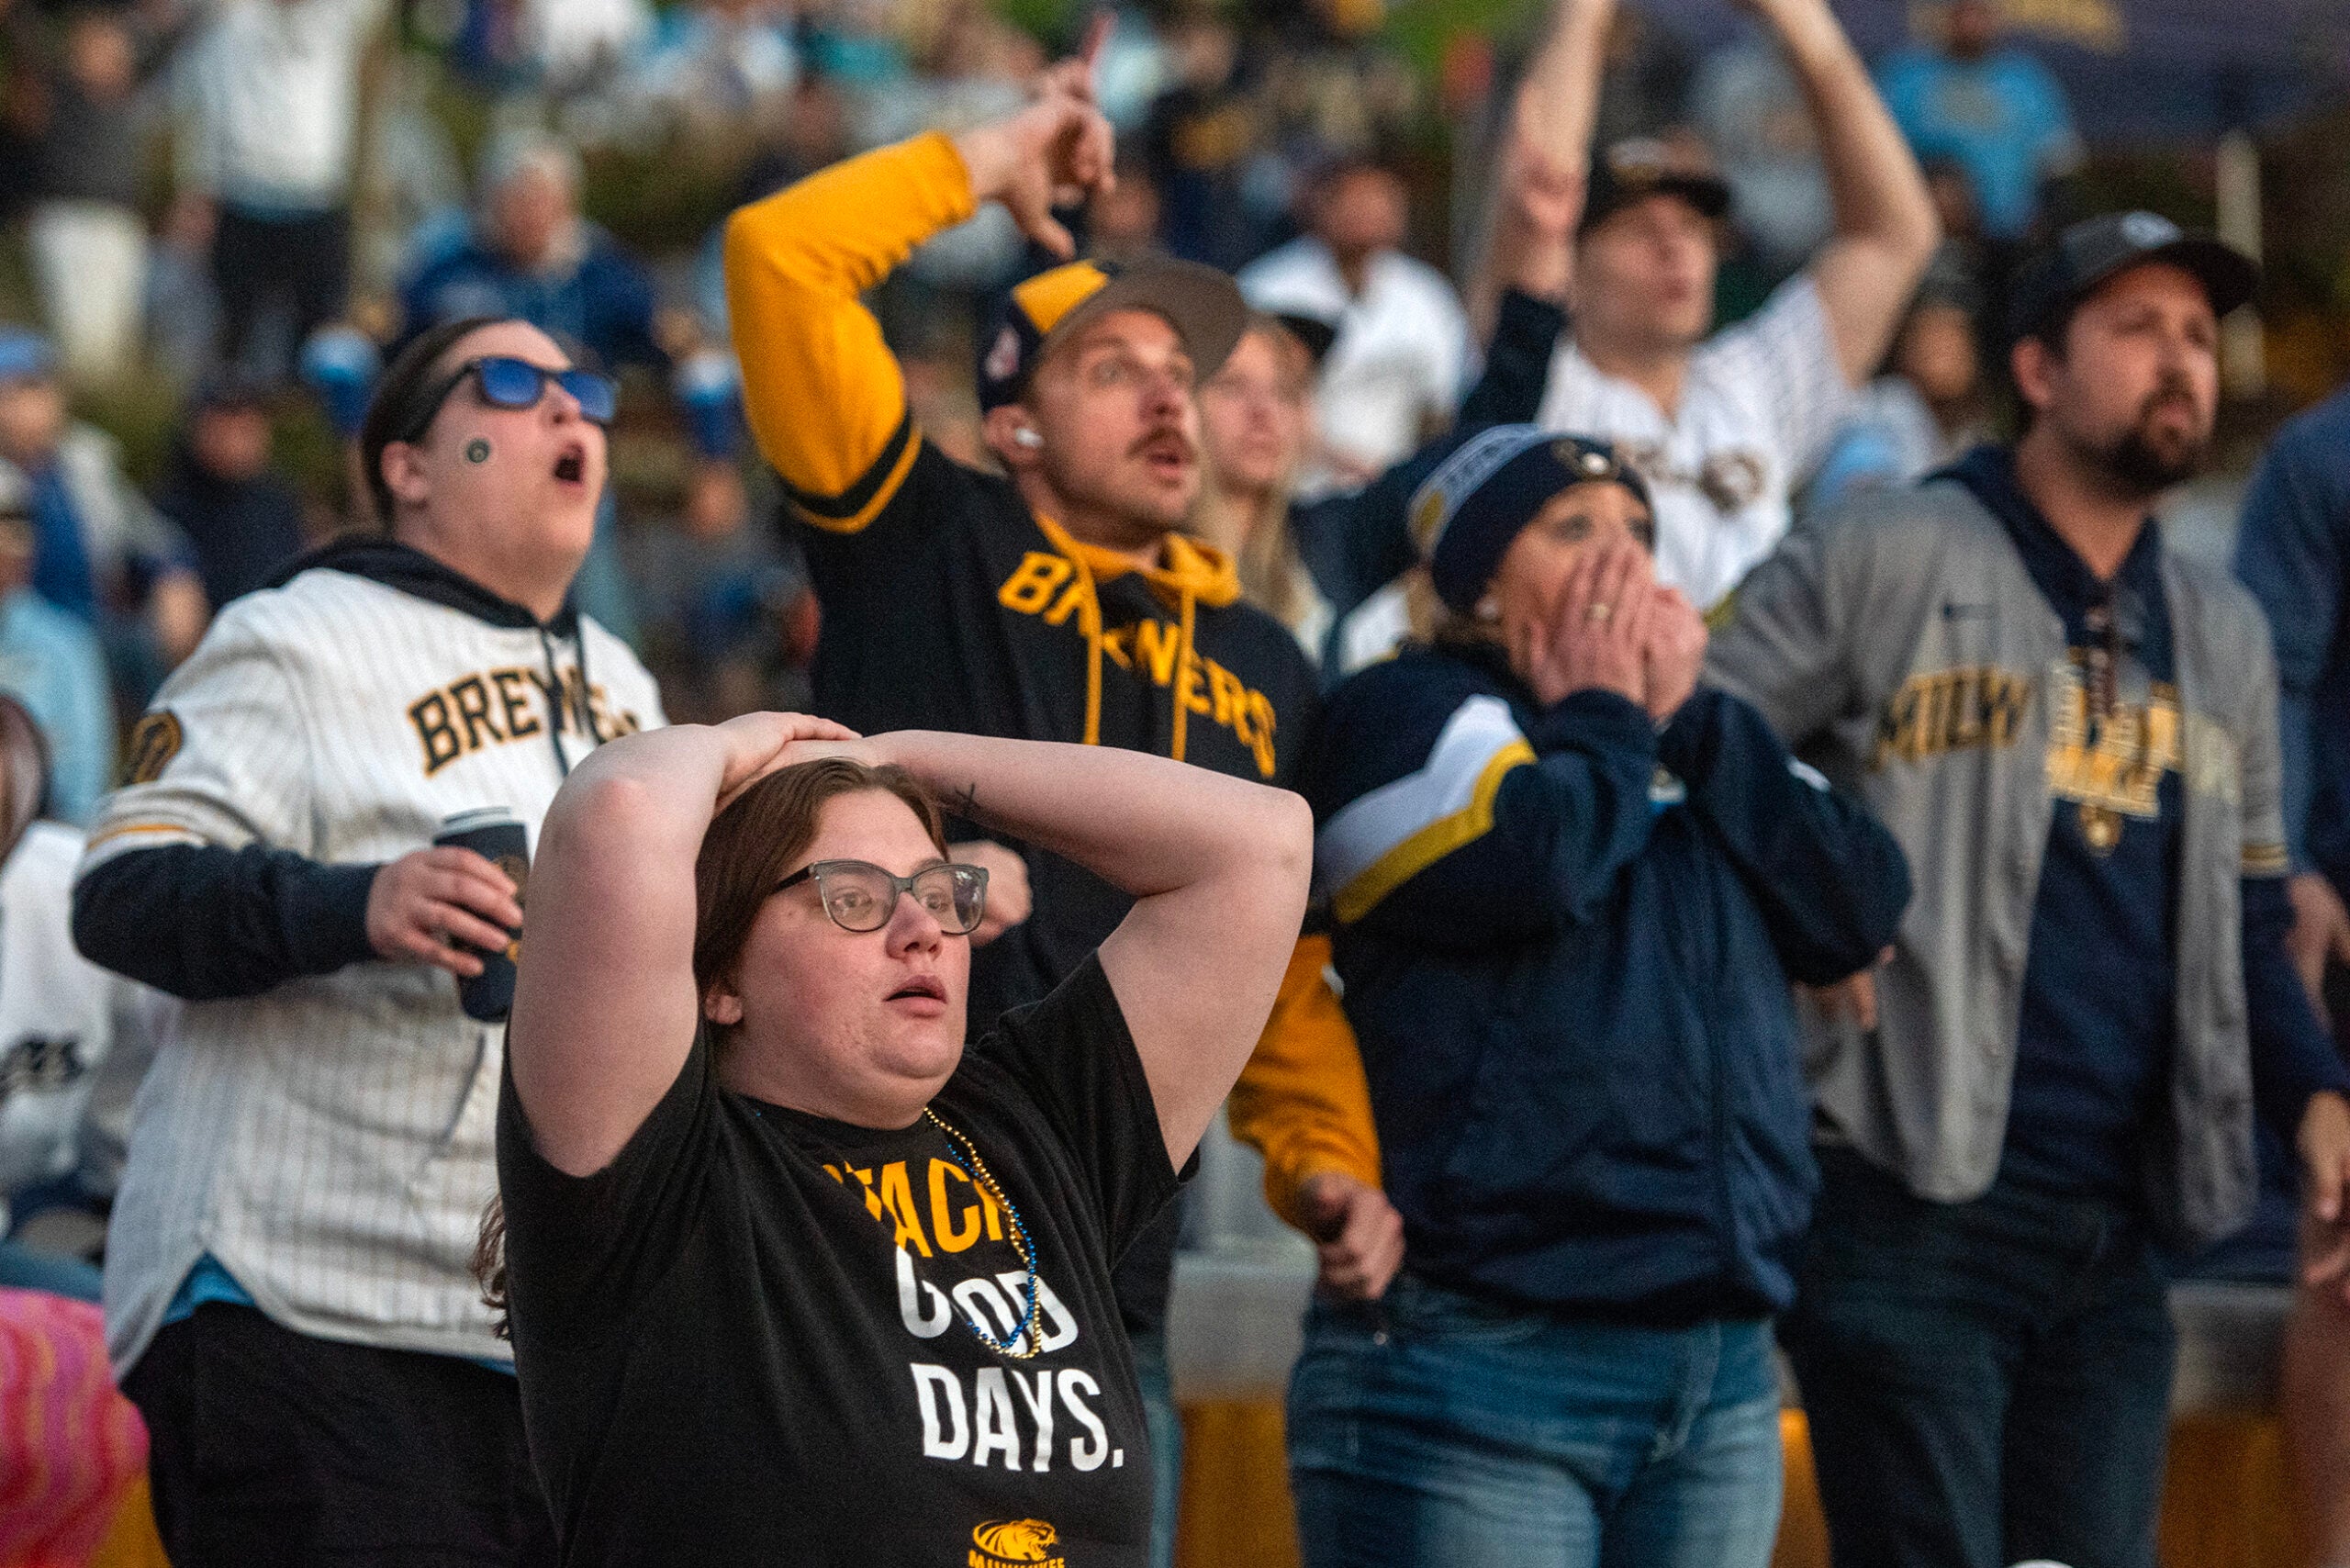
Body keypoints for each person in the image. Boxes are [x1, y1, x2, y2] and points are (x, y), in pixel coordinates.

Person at [723, 41, 1321, 1565]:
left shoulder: (1261, 655)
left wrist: (1334, 1155)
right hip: (852, 1238)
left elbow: (1289, 958)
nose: (1168, 399)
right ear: (1014, 425)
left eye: (1181, 375)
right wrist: (996, 160)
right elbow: (777, 257)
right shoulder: (926, 532)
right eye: (1110, 368)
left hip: (1111, 1278)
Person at [1705, 210, 2350, 1568]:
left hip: (2121, 1229)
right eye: (2137, 330)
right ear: (2040, 369)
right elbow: (1695, 738)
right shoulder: (1887, 546)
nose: (2181, 362)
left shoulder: (2219, 628)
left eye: (2196, 336)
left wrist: (2320, 1095)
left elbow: (2243, 916)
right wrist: (1812, 902)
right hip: (1900, 1195)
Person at [70, 314, 665, 1565]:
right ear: (406, 463)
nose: (569, 413)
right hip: (297, 1301)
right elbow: (121, 890)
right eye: (513, 386)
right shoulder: (293, 637)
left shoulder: (623, 684)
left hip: (530, 1339)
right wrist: (357, 903)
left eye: (586, 390)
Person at [1285, 424, 1908, 1566]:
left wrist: (1701, 719)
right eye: (1572, 530)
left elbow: (1863, 900)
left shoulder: (1691, 733)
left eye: (1637, 531)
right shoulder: (1397, 714)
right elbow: (1536, 861)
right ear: (1470, 581)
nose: (1621, 559)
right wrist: (1612, 720)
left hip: (1717, 1374)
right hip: (1480, 1366)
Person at [490, 716, 1308, 1563]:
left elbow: (1259, 845)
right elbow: (619, 810)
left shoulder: (1034, 1129)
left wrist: (896, 757)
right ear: (721, 975)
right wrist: (753, 743)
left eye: (938, 892)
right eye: (852, 897)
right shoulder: (662, 1180)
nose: (920, 929)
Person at [1524, 0, 1938, 612]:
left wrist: (1801, 22)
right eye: (1638, 228)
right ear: (1573, 270)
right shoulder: (1537, 379)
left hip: (1750, 701)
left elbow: (1896, 236)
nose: (1674, 247)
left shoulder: (1751, 381)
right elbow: (1534, 196)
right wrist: (1583, 14)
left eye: (1693, 227)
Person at [1193, 110, 1582, 669]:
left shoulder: (1332, 547)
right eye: (1233, 387)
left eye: (1287, 390)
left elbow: (1470, 442)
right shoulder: (1134, 554)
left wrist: (1540, 251)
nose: (1265, 412)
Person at [2231, 378, 2350, 1568]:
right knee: (2343, 1252)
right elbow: (2270, 682)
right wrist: (2291, 867)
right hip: (2344, 919)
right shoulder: (2327, 461)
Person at [175, 0, 390, 378]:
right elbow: (204, 104)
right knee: (233, 336)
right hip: (241, 201)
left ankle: (307, 429)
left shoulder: (337, 16)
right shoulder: (230, 17)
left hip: (317, 203)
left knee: (319, 335)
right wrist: (197, 186)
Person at [1238, 157, 1472, 495]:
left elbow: (1441, 406)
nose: (1368, 213)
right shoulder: (1268, 288)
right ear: (1322, 207)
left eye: (1382, 200)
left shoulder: (1428, 297)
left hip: (1396, 494)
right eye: (1355, 199)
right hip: (1297, 493)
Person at [0, 326, 207, 697]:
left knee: (160, 651)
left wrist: (172, 572)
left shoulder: (85, 461)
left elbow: (148, 534)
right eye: (20, 390)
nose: (35, 404)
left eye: (42, 388)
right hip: (18, 634)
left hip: (95, 626)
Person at [1875, 0, 2081, 248]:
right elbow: (1876, 157)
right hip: (1930, 240)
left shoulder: (2026, 79)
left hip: (2016, 238)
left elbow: (2057, 161)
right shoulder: (1905, 76)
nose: (1971, 21)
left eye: (1981, 11)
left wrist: (2048, 221)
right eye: (1962, 10)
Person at [1804, 266, 1988, 512]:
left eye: (1955, 336)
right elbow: (1862, 506)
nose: (1942, 350)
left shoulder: (1969, 430)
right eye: (1929, 332)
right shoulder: (1879, 414)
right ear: (1903, 340)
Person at [0, 468, 113, 825]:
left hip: (42, 840)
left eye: (23, 527)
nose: (16, 543)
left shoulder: (65, 643)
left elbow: (87, 786)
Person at [151, 370, 308, 613]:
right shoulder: (167, 510)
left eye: (246, 427)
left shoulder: (278, 503)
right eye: (224, 426)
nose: (235, 441)